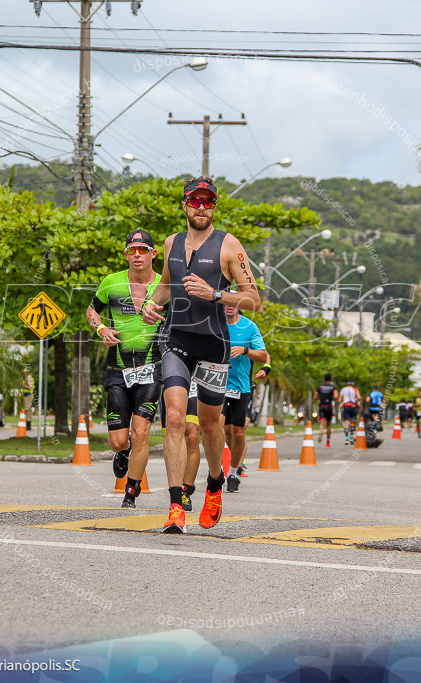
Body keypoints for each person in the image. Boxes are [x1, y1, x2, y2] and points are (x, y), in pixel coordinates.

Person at [141, 177, 260, 533]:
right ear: (185, 206)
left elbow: (254, 299)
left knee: (210, 426)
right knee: (175, 419)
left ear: (215, 207)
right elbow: (165, 284)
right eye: (196, 202)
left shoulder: (229, 245)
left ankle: (214, 484)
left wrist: (216, 294)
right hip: (175, 339)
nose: (202, 208)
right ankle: (176, 506)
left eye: (209, 202)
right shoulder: (171, 243)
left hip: (213, 345)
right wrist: (150, 303)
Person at [85, 229, 163, 509]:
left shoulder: (165, 285)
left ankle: (131, 490)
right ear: (126, 254)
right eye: (132, 250)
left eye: (143, 250)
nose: (137, 255)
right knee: (119, 440)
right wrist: (101, 328)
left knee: (141, 431)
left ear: (154, 253)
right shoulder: (111, 282)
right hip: (118, 370)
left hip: (152, 369)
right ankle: (124, 451)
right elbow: (91, 311)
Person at [222, 305, 268, 493]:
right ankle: (219, 469)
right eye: (224, 302)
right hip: (217, 385)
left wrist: (245, 350)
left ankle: (234, 471)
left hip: (241, 388)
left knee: (238, 433)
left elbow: (264, 355)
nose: (228, 306)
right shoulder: (214, 324)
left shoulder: (249, 327)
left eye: (232, 302)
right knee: (223, 430)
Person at [316, 373, 339, 447]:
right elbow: (336, 396)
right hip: (329, 407)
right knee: (328, 424)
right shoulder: (333, 387)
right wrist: (331, 398)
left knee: (322, 422)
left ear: (324, 379)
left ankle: (321, 429)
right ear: (331, 379)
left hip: (322, 406)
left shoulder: (320, 387)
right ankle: (328, 442)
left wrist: (321, 397)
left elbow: (315, 396)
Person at [339, 380, 360, 445]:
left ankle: (347, 438)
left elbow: (339, 399)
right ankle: (351, 436)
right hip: (353, 406)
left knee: (346, 423)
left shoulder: (343, 389)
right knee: (352, 423)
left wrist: (343, 401)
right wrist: (355, 400)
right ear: (353, 384)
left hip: (346, 407)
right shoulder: (355, 390)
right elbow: (359, 397)